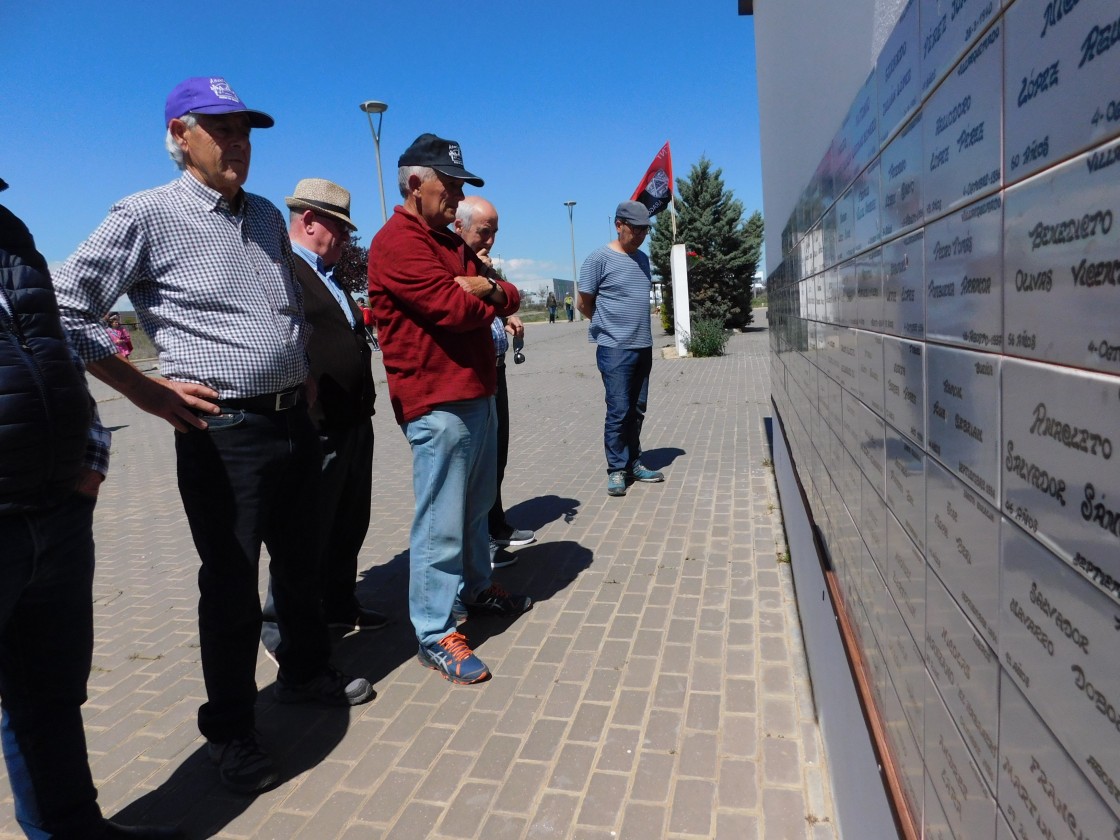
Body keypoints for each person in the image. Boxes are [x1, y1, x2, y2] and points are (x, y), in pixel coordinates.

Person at [53, 77, 374, 797]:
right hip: (222, 431)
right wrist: (141, 386)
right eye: (220, 129)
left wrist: (302, 371)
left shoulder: (262, 214)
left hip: (295, 417)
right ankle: (230, 731)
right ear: (179, 137)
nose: (237, 144)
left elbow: (284, 304)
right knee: (230, 584)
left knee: (301, 560)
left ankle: (304, 671)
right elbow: (63, 308)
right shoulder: (146, 215)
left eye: (245, 131)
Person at [0, 178, 181, 839]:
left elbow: (53, 347)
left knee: (50, 699)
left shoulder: (11, 232)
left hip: (56, 511)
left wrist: (93, 454)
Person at [368, 133, 531, 685]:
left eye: (462, 186)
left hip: (476, 392)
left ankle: (477, 588)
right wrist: (480, 294)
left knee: (476, 506)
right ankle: (436, 633)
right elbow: (454, 311)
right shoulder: (397, 242)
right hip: (436, 401)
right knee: (440, 521)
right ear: (416, 184)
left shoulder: (448, 240)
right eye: (451, 185)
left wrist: (484, 286)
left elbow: (509, 294)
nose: (458, 197)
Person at [258, 179, 385, 657]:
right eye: (340, 227)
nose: (348, 239)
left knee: (349, 523)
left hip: (352, 421)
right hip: (317, 426)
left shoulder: (330, 277)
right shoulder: (282, 269)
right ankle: (281, 629)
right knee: (305, 534)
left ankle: (338, 603)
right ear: (309, 221)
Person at [453, 196, 535, 569]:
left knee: (496, 454)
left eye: (494, 233)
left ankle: (495, 525)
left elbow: (502, 300)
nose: (490, 240)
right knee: (475, 467)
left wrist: (507, 316)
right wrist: (487, 285)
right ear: (460, 228)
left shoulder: (481, 266)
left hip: (495, 368)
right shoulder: (453, 263)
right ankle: (480, 543)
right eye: (483, 232)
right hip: (468, 378)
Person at [577, 200, 666, 497]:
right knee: (618, 409)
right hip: (614, 348)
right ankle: (616, 469)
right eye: (636, 229)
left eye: (646, 230)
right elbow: (583, 303)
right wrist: (607, 326)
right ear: (619, 225)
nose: (641, 235)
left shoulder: (642, 259)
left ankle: (633, 462)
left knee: (637, 409)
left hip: (644, 345)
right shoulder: (598, 259)